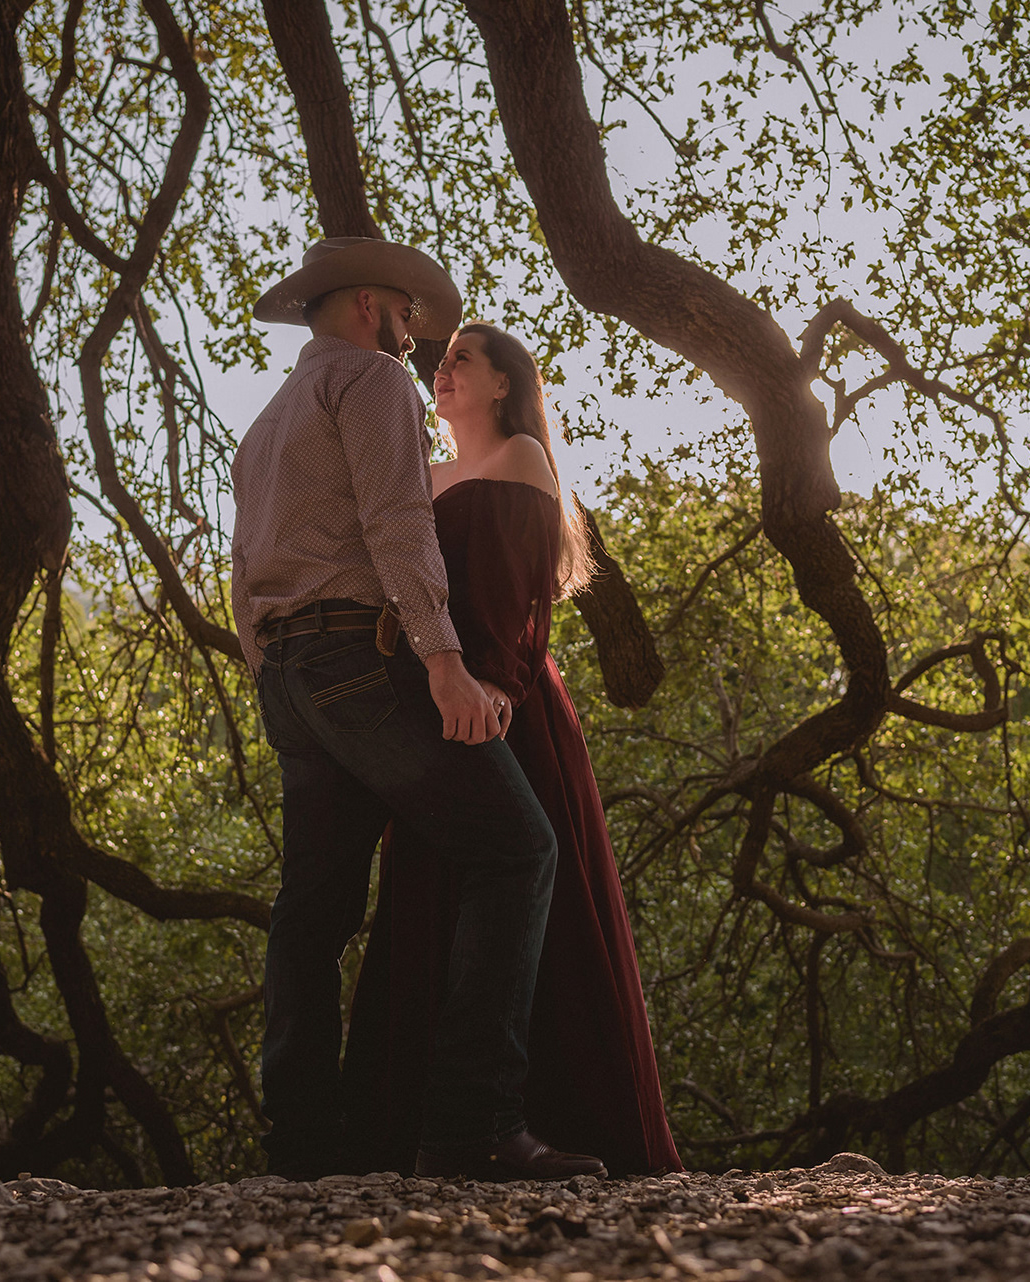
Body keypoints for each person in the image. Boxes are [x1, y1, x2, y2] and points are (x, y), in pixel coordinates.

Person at [231, 238, 605, 1181]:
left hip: (288, 674)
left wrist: (269, 668)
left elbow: (242, 566)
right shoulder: (372, 381)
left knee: (312, 910)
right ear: (369, 305)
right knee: (519, 850)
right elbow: (398, 524)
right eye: (405, 315)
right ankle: (472, 1127)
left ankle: (303, 1150)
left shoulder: (268, 421)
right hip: (359, 660)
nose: (412, 337)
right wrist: (443, 663)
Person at [342, 323, 684, 1176]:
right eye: (441, 360)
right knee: (434, 901)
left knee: (531, 890)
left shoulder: (522, 458)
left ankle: (526, 1121)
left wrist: (494, 685)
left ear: (503, 385)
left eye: (463, 358)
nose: (443, 369)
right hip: (434, 704)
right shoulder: (423, 475)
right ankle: (422, 1134)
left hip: (506, 705)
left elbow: (521, 596)